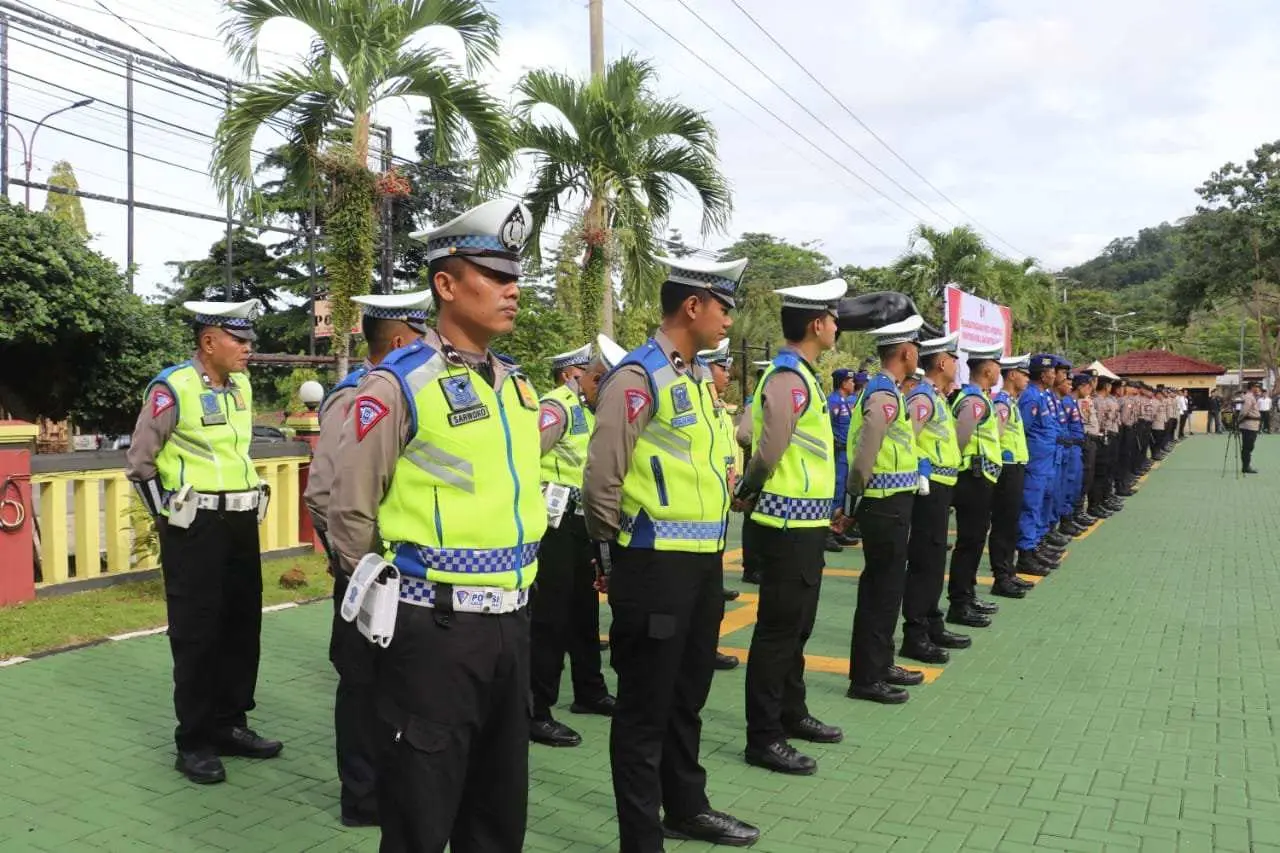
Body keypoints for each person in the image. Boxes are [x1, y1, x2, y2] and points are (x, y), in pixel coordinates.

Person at [327, 199, 544, 852]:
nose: (511, 289)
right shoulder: (398, 385)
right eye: (493, 274)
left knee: (498, 816)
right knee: (421, 820)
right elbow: (350, 512)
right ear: (447, 285)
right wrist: (391, 603)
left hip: (511, 624)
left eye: (514, 275)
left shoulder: (514, 387)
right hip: (434, 631)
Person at [583, 254, 759, 851]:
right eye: (724, 307)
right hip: (652, 566)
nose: (729, 319)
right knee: (643, 710)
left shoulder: (694, 379)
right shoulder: (638, 378)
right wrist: (612, 557)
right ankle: (641, 837)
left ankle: (687, 806)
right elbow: (602, 478)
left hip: (702, 565)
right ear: (693, 306)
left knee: (687, 698)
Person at [126, 299, 282, 785]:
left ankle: (230, 725)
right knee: (197, 633)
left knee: (241, 627)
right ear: (208, 341)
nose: (248, 349)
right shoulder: (172, 388)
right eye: (239, 339)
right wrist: (172, 518)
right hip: (195, 528)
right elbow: (140, 463)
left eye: (249, 340)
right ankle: (193, 741)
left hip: (240, 525)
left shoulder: (242, 387)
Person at [304, 290, 431, 825]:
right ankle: (362, 795)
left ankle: (394, 783)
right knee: (362, 685)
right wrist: (351, 567)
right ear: (401, 340)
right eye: (424, 337)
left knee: (400, 683)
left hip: (408, 574)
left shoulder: (423, 394)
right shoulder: (355, 396)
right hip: (366, 571)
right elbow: (325, 492)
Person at [735, 279, 848, 776]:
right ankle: (764, 736)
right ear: (816, 324)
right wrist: (751, 487)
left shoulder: (799, 376)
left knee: (797, 627)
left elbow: (745, 429)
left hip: (805, 521)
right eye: (832, 318)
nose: (837, 325)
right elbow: (767, 445)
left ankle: (792, 711)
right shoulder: (787, 378)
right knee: (779, 632)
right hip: (785, 523)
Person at [530, 338, 622, 749]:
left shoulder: (586, 410)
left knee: (584, 614)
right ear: (575, 374)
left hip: (581, 524)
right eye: (596, 378)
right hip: (554, 525)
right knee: (550, 619)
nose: (599, 387)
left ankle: (589, 690)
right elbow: (526, 456)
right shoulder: (555, 407)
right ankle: (536, 710)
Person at [845, 314, 925, 704]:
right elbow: (866, 452)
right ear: (906, 352)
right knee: (880, 590)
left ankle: (882, 663)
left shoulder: (888, 391)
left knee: (889, 589)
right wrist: (854, 496)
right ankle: (867, 677)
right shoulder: (883, 395)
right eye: (916, 349)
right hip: (883, 504)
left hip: (893, 502)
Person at [899, 331, 973, 663]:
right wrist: (922, 475)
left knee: (934, 562)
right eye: (955, 359)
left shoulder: (937, 398)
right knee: (924, 563)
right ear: (942, 362)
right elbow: (906, 441)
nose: (958, 365)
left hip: (942, 489)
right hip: (928, 491)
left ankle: (932, 623)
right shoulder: (923, 398)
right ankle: (915, 634)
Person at [697, 338, 748, 672]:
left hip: (719, 501)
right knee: (702, 594)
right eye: (721, 367)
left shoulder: (717, 406)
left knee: (711, 592)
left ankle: (706, 646)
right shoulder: (698, 403)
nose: (727, 374)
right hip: (697, 511)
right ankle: (702, 648)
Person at [946, 343, 1006, 619]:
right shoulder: (974, 401)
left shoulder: (977, 397)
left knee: (974, 540)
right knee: (969, 543)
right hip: (973, 477)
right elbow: (960, 437)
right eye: (997, 368)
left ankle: (968, 596)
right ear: (988, 369)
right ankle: (960, 602)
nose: (999, 373)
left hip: (979, 477)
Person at [988, 354, 1038, 597]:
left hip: (1016, 468)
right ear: (1012, 375)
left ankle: (1008, 572)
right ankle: (1001, 577)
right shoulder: (1002, 405)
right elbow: (993, 439)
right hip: (1005, 470)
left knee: (1011, 525)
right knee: (1003, 525)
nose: (1028, 379)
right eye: (1024, 374)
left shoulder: (1012, 403)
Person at [1016, 355, 1065, 575]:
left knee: (1039, 506)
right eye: (1052, 371)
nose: (1055, 375)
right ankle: (1026, 555)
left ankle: (1034, 548)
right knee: (1030, 508)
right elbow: (1022, 431)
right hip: (1035, 463)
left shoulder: (1042, 396)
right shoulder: (1030, 397)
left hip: (1046, 461)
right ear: (1044, 374)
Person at [736, 361, 773, 586]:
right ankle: (751, 567)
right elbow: (743, 436)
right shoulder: (755, 403)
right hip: (756, 466)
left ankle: (760, 564)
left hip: (767, 468)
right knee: (752, 519)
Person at [826, 368, 858, 551]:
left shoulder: (844, 402)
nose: (853, 384)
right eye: (850, 381)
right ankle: (828, 533)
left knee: (842, 492)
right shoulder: (834, 402)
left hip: (846, 454)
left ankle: (837, 530)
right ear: (843, 383)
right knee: (836, 492)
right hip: (839, 453)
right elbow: (828, 426)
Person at [1240, 383, 1262, 473]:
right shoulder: (1249, 397)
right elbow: (1244, 411)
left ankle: (1246, 466)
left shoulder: (1252, 397)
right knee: (1248, 447)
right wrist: (1239, 420)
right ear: (1252, 387)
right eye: (1256, 387)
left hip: (1252, 425)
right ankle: (1246, 467)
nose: (1258, 389)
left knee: (1249, 447)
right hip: (1249, 425)